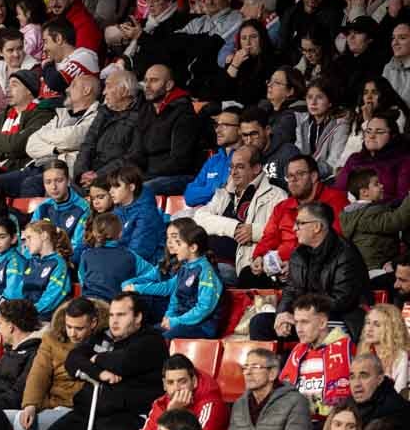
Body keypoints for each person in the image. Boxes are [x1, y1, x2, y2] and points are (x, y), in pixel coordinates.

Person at [45, 293, 167, 430]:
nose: (114, 321)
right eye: (111, 315)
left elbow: (122, 363)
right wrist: (100, 373)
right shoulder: (104, 336)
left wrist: (95, 358)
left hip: (127, 415)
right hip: (91, 410)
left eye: (121, 315)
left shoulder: (152, 341)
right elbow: (73, 360)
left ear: (138, 317)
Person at [250, 202, 368, 341]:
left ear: (317, 227)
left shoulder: (346, 253)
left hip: (338, 318)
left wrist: (302, 314)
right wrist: (283, 313)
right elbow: (290, 291)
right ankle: (277, 356)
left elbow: (341, 301)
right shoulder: (298, 253)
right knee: (260, 323)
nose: (294, 228)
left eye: (300, 223)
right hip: (304, 317)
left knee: (311, 325)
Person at [189, 145, 287, 286]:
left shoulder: (276, 195)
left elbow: (285, 233)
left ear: (256, 168)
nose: (233, 172)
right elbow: (199, 218)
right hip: (208, 260)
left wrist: (254, 232)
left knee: (197, 277)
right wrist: (234, 228)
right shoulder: (224, 193)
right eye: (231, 167)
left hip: (239, 268)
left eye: (240, 167)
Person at [12, 297, 103, 430]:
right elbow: (39, 374)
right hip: (49, 405)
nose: (72, 333)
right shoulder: (51, 339)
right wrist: (30, 405)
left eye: (79, 328)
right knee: (3, 419)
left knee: (23, 425)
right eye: (69, 327)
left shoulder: (104, 343)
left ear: (93, 323)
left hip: (78, 410)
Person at [124, 221, 223, 339]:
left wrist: (175, 321)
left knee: (158, 341)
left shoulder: (207, 272)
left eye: (179, 243)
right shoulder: (184, 268)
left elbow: (204, 308)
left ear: (193, 248)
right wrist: (168, 317)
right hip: (180, 321)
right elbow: (175, 297)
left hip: (202, 326)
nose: (175, 248)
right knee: (142, 335)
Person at [277, 294, 357, 422]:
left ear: (322, 323)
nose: (298, 329)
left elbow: (343, 402)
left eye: (305, 322)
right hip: (296, 422)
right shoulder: (298, 351)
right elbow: (281, 393)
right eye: (296, 322)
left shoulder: (345, 349)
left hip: (329, 423)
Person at [130, 64, 202, 196]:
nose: (147, 85)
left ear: (168, 85)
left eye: (154, 80)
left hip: (179, 176)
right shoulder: (146, 110)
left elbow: (179, 161)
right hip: (149, 175)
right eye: (146, 80)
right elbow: (136, 152)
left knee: (139, 190)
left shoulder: (183, 113)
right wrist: (131, 175)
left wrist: (144, 177)